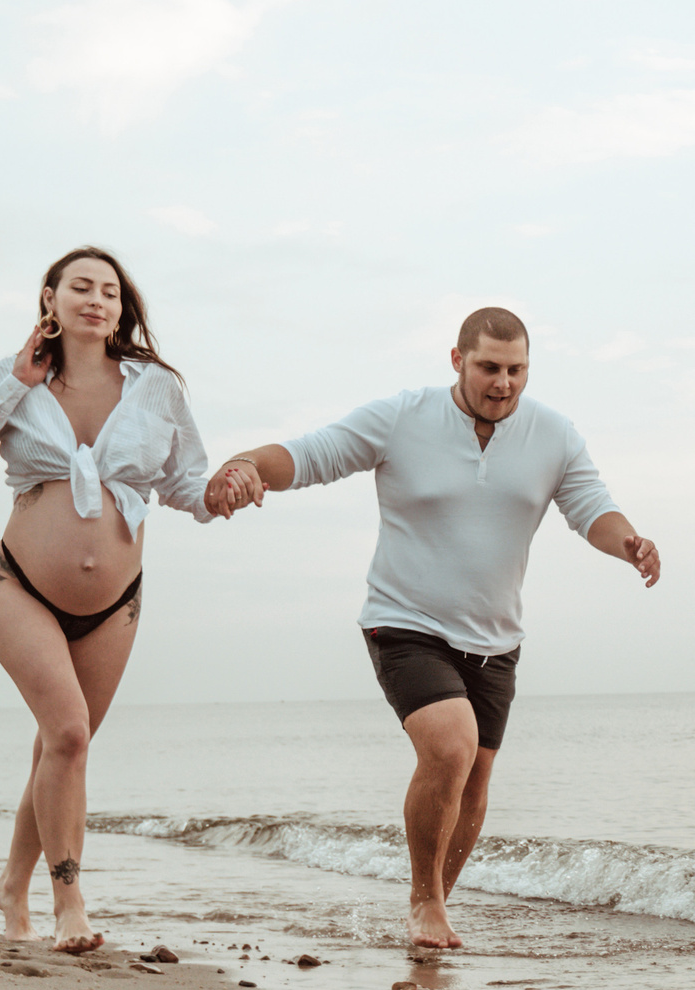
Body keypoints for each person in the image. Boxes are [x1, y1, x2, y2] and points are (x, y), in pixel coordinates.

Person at [205, 307, 659, 950]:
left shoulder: (554, 434)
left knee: (474, 780)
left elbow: (591, 508)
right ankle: (424, 905)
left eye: (517, 370)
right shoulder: (403, 416)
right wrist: (247, 463)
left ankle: (435, 909)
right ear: (456, 360)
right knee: (451, 745)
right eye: (489, 368)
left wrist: (630, 543)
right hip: (405, 620)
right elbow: (313, 455)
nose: (503, 383)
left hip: (496, 637)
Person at [0, 247, 218, 953]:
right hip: (18, 585)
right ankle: (70, 905)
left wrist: (226, 490)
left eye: (111, 292)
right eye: (80, 287)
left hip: (116, 600)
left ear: (123, 308)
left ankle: (9, 885)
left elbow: (188, 483)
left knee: (63, 745)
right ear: (50, 300)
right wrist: (15, 382)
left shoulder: (157, 387)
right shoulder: (18, 377)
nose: (97, 300)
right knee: (68, 734)